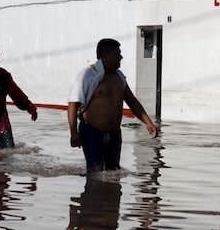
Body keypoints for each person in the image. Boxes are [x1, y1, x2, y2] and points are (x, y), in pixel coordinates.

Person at [68, 38, 158, 173]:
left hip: (114, 134)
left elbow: (132, 101)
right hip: (92, 132)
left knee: (113, 172)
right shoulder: (88, 75)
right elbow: (73, 103)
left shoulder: (119, 77)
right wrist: (74, 133)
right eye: (118, 53)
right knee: (95, 173)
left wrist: (148, 123)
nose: (121, 57)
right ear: (105, 56)